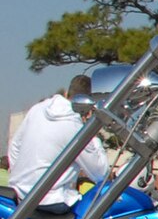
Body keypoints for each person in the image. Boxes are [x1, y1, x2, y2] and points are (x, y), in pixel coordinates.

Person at [7, 74, 109, 209]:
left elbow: (14, 146)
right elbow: (100, 173)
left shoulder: (38, 108)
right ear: (90, 104)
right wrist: (93, 135)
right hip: (52, 201)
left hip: (19, 194)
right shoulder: (75, 127)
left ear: (67, 93)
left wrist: (22, 179)